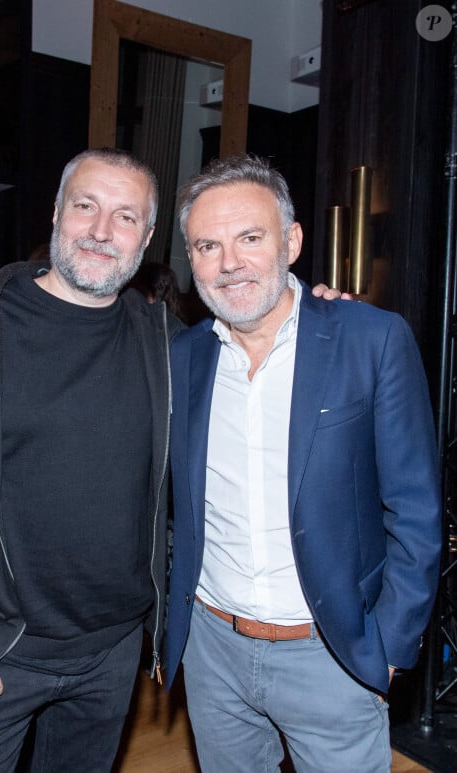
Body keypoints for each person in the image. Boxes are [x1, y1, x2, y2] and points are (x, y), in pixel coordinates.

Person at [0, 148, 341, 773]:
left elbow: (258, 345)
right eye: (85, 207)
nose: (100, 230)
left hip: (112, 654)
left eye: (125, 217)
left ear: (147, 239)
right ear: (55, 214)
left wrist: (311, 311)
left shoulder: (169, 345)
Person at [164, 154, 442, 772]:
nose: (229, 263)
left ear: (291, 241)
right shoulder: (183, 358)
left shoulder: (372, 340)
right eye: (207, 245)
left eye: (250, 238)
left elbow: (416, 509)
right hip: (212, 652)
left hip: (332, 653)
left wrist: (390, 644)